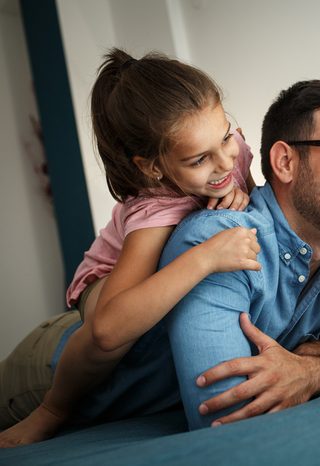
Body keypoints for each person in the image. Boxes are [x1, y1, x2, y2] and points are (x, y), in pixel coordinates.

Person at [0, 48, 260, 447]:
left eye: (225, 135)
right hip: (103, 282)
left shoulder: (230, 153)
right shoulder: (154, 210)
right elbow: (107, 327)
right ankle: (51, 410)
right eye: (199, 160)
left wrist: (242, 194)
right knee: (109, 337)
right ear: (151, 167)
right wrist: (206, 257)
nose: (225, 163)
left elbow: (245, 187)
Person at [161, 79, 320, 429]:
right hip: (65, 372)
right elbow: (225, 421)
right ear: (285, 161)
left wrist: (313, 371)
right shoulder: (219, 243)